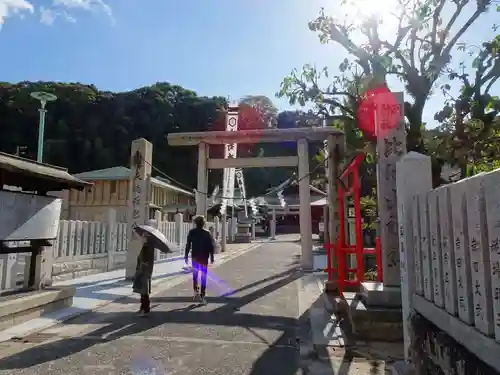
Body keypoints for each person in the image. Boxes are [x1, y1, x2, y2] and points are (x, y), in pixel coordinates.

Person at [184, 215, 215, 304]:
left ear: (195, 223)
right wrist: (212, 257)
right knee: (203, 276)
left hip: (195, 257)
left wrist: (186, 256)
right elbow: (210, 246)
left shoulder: (192, 232)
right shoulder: (207, 233)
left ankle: (196, 292)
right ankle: (202, 295)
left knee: (195, 276)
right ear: (203, 223)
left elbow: (188, 245)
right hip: (204, 257)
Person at [133, 233, 155, 316]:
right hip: (143, 270)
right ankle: (143, 307)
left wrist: (142, 264)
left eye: (145, 237)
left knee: (144, 291)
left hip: (144, 271)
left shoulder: (147, 247)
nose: (143, 238)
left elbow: (145, 260)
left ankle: (146, 309)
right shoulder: (147, 246)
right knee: (142, 291)